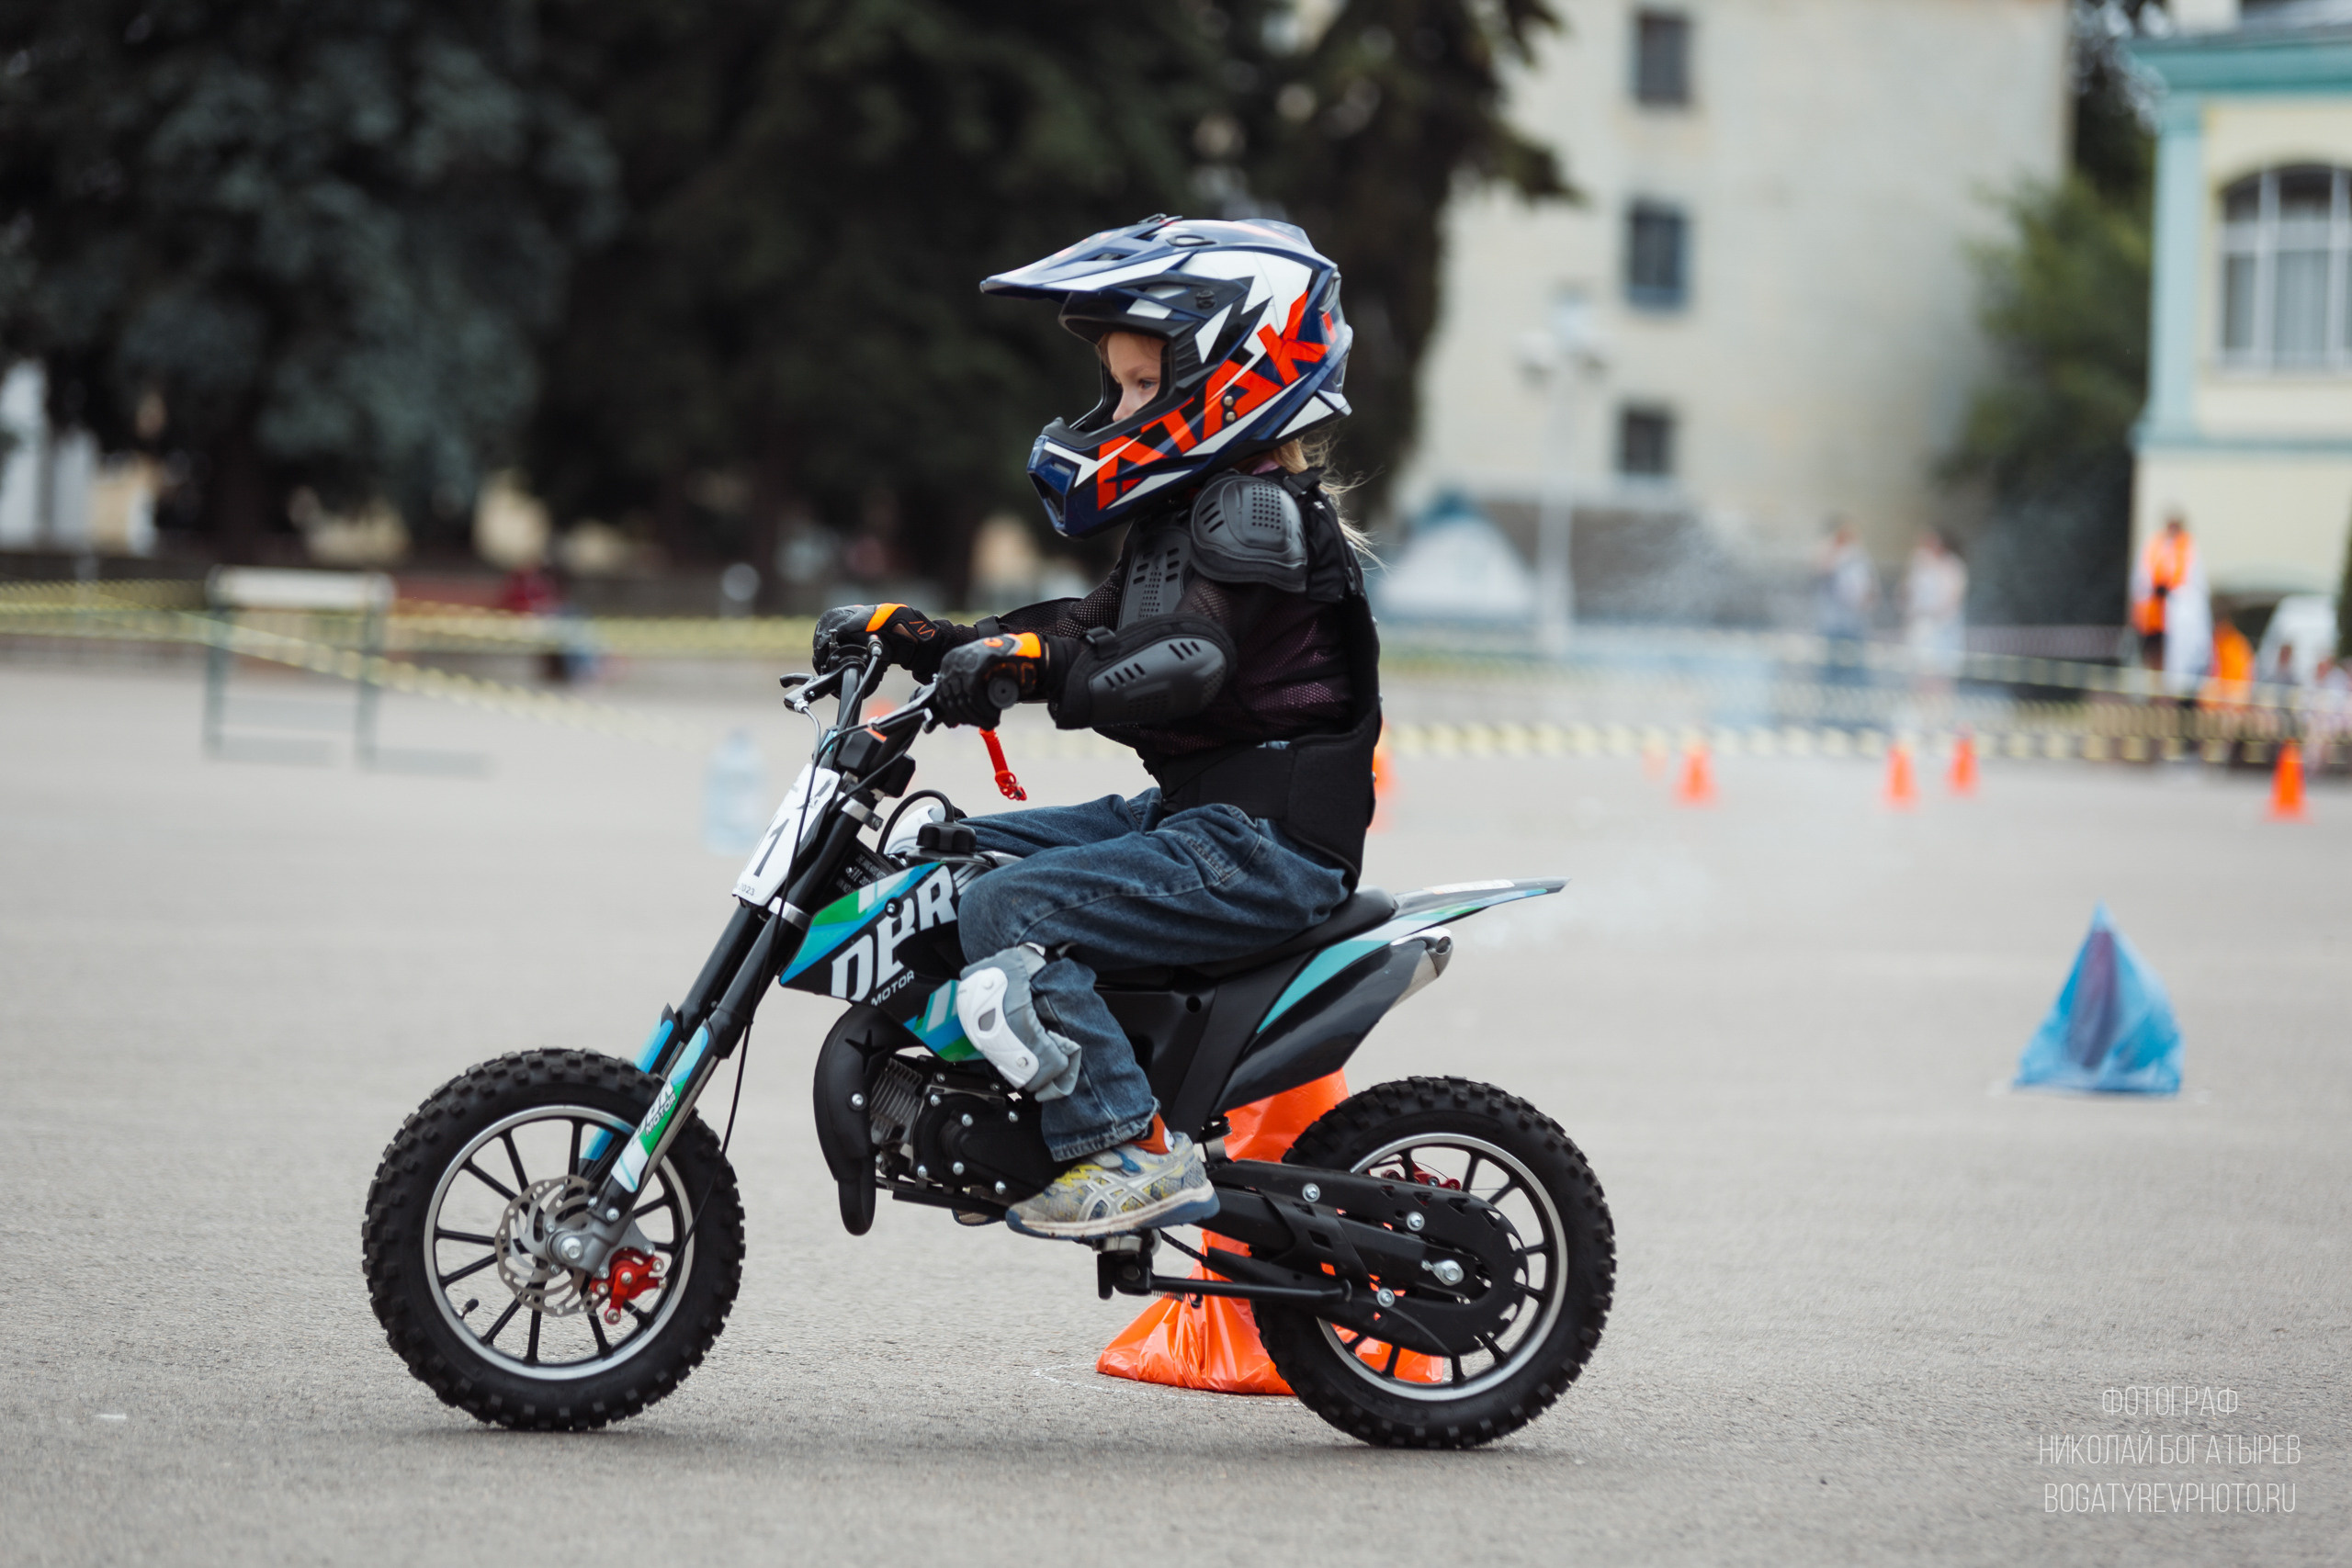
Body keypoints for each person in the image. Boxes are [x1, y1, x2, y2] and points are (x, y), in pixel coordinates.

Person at [808, 216, 1378, 1240]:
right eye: (1114, 389)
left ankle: (1124, 1144)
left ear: (1232, 375)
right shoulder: (1192, 513)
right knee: (948, 857)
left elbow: (1183, 660)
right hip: (1200, 813)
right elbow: (1086, 627)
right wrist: (944, 642)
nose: (1115, 411)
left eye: (1137, 388)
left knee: (1008, 910)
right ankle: (1010, 1092)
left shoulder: (1252, 513)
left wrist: (1038, 672)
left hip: (1262, 844)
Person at [2131, 511, 2211, 690]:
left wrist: (2173, 594)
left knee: (2174, 660)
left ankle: (2169, 691)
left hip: (2177, 617)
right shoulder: (2153, 544)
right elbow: (2141, 578)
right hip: (2153, 616)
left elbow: (2194, 584)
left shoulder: (2189, 547)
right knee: (2153, 655)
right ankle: (2153, 690)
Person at [1903, 529, 1967, 682]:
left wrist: (1933, 613)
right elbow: (1907, 593)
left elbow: (1952, 598)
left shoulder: (1952, 566)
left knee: (1941, 672)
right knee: (1920, 670)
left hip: (1943, 629)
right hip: (1921, 627)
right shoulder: (1919, 565)